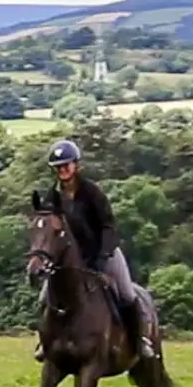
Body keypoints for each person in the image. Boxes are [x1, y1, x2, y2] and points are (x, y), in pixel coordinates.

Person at [34, 139, 157, 362]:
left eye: (66, 165)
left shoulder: (91, 192)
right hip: (72, 259)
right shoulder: (53, 195)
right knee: (45, 297)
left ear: (76, 165)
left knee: (127, 294)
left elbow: (108, 226)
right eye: (58, 167)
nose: (63, 170)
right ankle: (45, 342)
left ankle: (141, 340)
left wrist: (102, 257)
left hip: (103, 251)